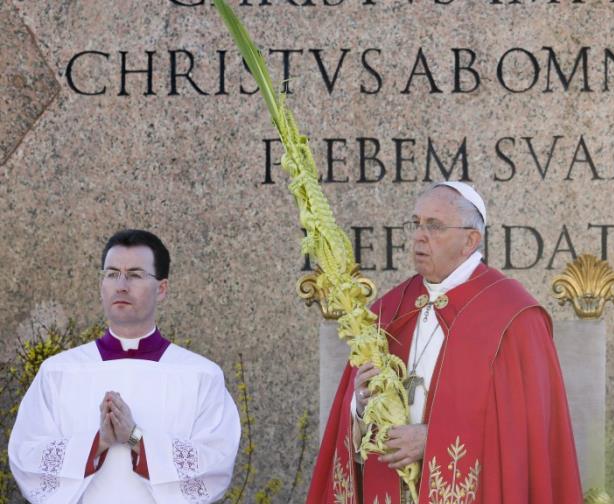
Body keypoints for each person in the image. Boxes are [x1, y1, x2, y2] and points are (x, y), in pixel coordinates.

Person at [307, 182, 582, 504]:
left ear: (470, 240)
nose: (419, 236)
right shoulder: (389, 311)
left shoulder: (514, 317)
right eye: (416, 223)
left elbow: (524, 431)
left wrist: (433, 440)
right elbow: (351, 417)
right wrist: (361, 406)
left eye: (434, 226)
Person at [8, 229, 241, 503]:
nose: (121, 285)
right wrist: (99, 442)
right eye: (112, 274)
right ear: (101, 286)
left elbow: (215, 464)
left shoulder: (200, 376)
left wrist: (134, 437)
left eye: (135, 274)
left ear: (161, 289)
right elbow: (26, 457)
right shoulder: (58, 373)